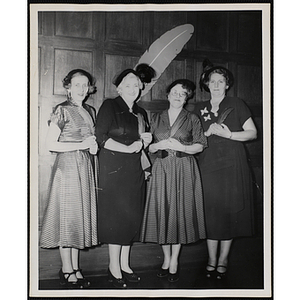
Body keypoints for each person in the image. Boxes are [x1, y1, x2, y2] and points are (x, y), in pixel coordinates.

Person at [193, 60, 257, 280]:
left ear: (227, 84)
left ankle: (223, 259)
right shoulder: (198, 108)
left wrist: (229, 134)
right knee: (211, 212)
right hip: (208, 165)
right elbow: (193, 140)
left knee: (230, 212)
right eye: (213, 81)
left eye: (221, 81)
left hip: (233, 165)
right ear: (207, 84)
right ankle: (211, 259)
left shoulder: (237, 103)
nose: (217, 85)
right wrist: (207, 134)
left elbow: (252, 133)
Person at [140, 79, 207, 283]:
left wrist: (181, 147)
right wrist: (159, 144)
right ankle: (166, 259)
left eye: (183, 94)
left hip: (184, 167)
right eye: (175, 92)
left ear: (186, 98)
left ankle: (175, 261)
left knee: (178, 214)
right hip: (162, 169)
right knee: (163, 212)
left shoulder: (192, 118)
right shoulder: (156, 117)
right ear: (168, 94)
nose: (178, 96)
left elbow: (200, 146)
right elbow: (148, 148)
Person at [95, 66, 154, 288]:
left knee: (131, 216)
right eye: (127, 84)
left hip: (135, 171)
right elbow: (100, 137)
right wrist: (128, 149)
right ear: (119, 88)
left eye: (135, 85)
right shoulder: (110, 106)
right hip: (114, 169)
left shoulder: (141, 112)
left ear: (140, 88)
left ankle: (125, 264)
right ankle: (113, 267)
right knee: (116, 218)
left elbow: (141, 143)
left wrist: (145, 141)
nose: (132, 88)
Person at [40, 69, 99, 288]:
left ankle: (75, 266)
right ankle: (66, 269)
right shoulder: (61, 110)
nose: (82, 89)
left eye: (85, 85)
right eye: (77, 85)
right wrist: (81, 145)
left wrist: (92, 147)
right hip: (66, 167)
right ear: (68, 87)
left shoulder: (90, 110)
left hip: (84, 166)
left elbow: (89, 141)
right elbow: (50, 145)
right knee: (67, 217)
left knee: (77, 217)